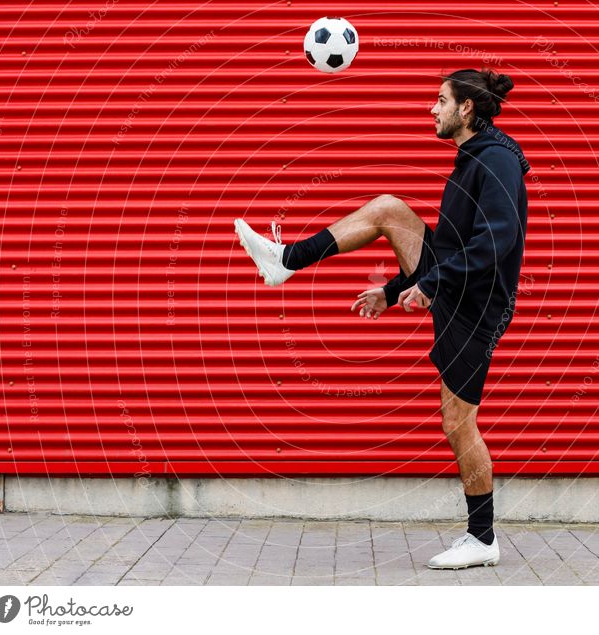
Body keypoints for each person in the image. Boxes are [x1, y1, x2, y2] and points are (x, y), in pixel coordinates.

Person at [234, 68, 530, 570]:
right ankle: (286, 260)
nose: (430, 110)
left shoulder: (496, 160)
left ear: (466, 109)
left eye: (440, 101)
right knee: (390, 209)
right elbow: (454, 242)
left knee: (459, 424)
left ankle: (482, 538)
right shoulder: (475, 158)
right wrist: (394, 292)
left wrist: (430, 285)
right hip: (457, 287)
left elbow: (497, 240)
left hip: (475, 307)